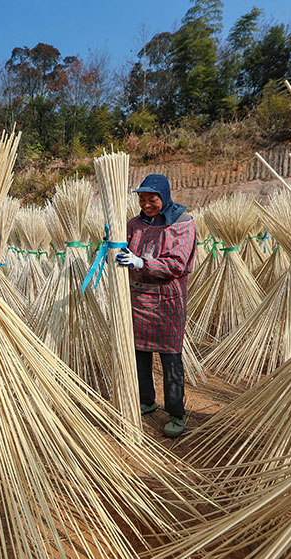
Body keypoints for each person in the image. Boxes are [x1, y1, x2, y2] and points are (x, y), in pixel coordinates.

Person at [116, 173, 197, 438]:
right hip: (137, 299)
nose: (147, 205)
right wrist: (112, 247)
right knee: (139, 354)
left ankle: (176, 414)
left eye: (153, 199)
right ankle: (146, 400)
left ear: (165, 196)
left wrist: (141, 263)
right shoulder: (133, 224)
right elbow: (122, 249)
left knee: (170, 358)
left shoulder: (183, 224)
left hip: (167, 302)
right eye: (142, 200)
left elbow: (178, 263)